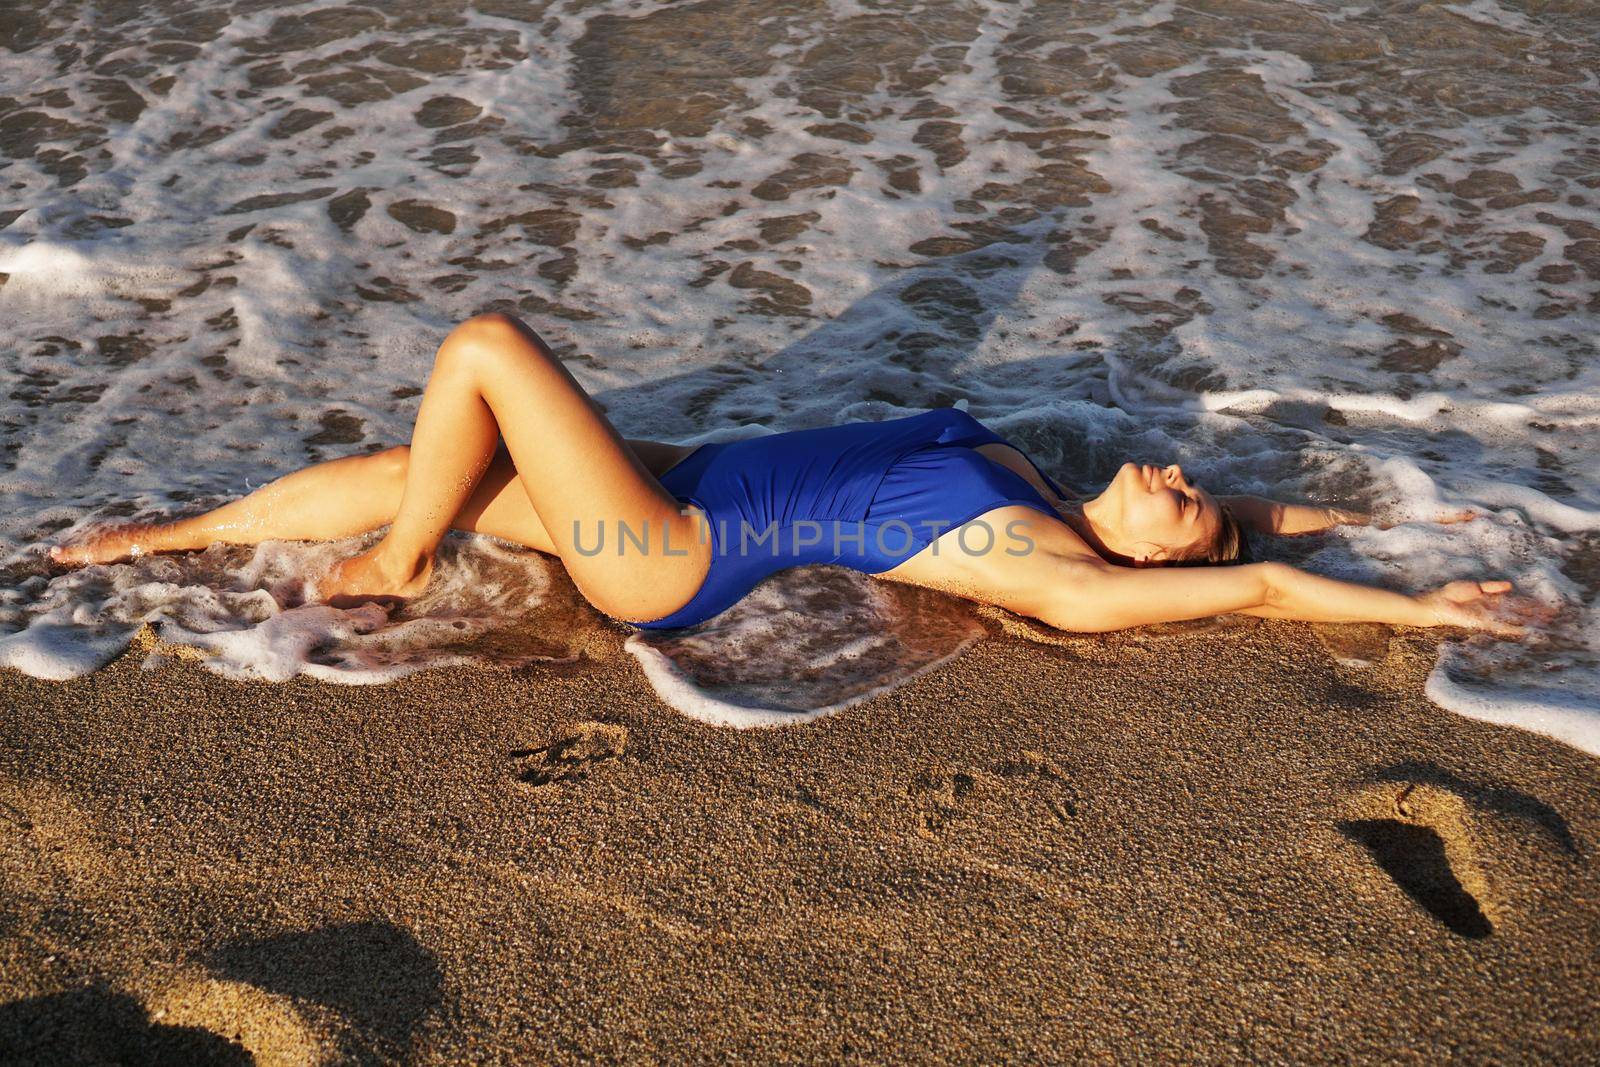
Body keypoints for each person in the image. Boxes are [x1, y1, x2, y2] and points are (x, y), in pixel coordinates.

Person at [49, 313, 1527, 638]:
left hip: (673, 551)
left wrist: (1422, 615)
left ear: (1149, 562)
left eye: (1177, 499)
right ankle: (154, 540)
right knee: (410, 459)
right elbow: (1263, 529)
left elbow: (1256, 578)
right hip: (678, 477)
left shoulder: (1057, 572)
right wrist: (1405, 518)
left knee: (487, 353)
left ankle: (393, 568)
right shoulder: (1051, 490)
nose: (1169, 468)